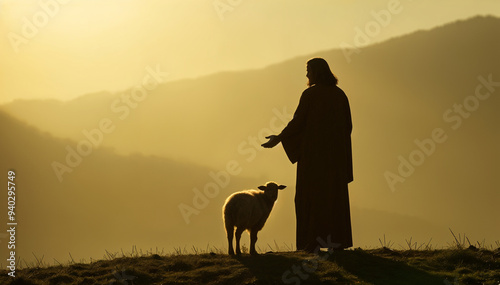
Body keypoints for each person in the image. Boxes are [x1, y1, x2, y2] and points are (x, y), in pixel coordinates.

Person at [261, 58, 353, 252]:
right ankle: (336, 243)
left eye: (308, 70)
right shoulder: (340, 95)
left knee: (309, 200)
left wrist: (279, 138)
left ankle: (311, 244)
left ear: (316, 72)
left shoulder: (310, 95)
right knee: (333, 199)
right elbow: (347, 128)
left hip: (313, 161)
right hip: (336, 161)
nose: (306, 75)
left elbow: (298, 123)